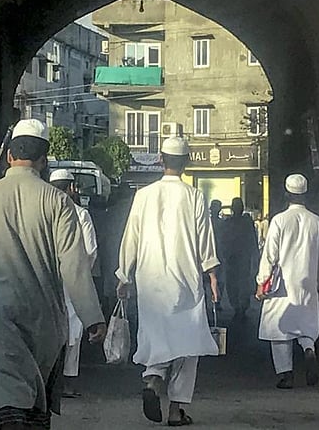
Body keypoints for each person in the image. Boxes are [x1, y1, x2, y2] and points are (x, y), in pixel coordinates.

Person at [0, 119, 106, 430]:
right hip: (45, 319)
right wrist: (93, 317)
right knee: (37, 406)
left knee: (8, 396)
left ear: (10, 156)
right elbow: (74, 265)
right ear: (44, 160)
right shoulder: (58, 201)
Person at [116, 135, 220, 427]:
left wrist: (124, 274)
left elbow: (131, 236)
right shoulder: (194, 196)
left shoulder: (144, 195)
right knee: (188, 344)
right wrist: (212, 273)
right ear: (186, 163)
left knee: (157, 335)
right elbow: (205, 240)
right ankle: (176, 410)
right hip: (185, 279)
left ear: (160, 160)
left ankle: (153, 377)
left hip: (150, 280)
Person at [256, 173, 319, 389]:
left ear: (286, 194)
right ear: (306, 195)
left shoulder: (279, 220)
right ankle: (309, 350)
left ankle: (286, 375)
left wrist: (262, 281)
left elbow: (269, 255)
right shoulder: (317, 222)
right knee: (306, 326)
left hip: (282, 285)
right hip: (307, 283)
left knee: (279, 330)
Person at [48, 168, 99, 398]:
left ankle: (48, 380)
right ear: (71, 188)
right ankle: (68, 381)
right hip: (73, 280)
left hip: (48, 279)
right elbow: (90, 251)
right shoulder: (81, 214)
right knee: (73, 331)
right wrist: (81, 274)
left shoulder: (43, 211)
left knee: (50, 328)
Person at [222, 197, 259, 320]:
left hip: (237, 258)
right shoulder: (246, 223)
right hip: (239, 258)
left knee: (236, 284)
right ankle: (240, 307)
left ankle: (239, 307)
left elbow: (223, 241)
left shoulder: (229, 223)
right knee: (240, 283)